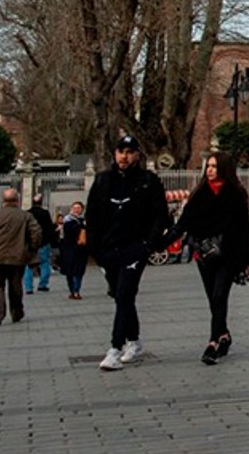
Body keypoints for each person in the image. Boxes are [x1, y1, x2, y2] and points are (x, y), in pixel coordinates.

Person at [84, 134, 171, 370]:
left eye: (130, 152)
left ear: (137, 155)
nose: (125, 156)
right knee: (121, 295)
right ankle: (134, 340)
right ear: (115, 153)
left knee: (124, 293)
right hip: (108, 248)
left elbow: (161, 215)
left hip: (135, 247)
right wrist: (95, 249)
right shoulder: (103, 181)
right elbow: (91, 216)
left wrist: (147, 245)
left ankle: (115, 348)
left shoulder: (148, 180)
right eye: (121, 151)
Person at [166, 152, 249, 365]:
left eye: (215, 166)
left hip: (229, 255)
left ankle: (213, 343)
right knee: (213, 299)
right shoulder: (199, 194)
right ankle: (224, 334)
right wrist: (160, 243)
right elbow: (183, 224)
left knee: (218, 296)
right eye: (208, 166)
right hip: (204, 255)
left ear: (224, 168)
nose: (210, 170)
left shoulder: (235, 194)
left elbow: (244, 228)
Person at [0, 188, 43, 326]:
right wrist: (31, 249)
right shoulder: (25, 216)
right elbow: (36, 233)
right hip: (17, 257)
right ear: (18, 200)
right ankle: (16, 312)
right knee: (15, 286)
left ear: (3, 200)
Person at [23, 193, 58, 294]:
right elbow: (50, 228)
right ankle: (42, 285)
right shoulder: (45, 213)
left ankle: (29, 288)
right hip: (44, 242)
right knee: (45, 263)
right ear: (41, 203)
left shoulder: (27, 214)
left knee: (28, 266)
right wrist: (53, 242)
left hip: (29, 243)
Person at [59, 202, 90, 299]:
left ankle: (76, 290)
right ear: (71, 209)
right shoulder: (67, 220)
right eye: (75, 208)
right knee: (70, 271)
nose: (77, 210)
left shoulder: (84, 221)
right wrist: (81, 226)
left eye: (79, 208)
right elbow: (68, 232)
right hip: (70, 250)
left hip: (81, 250)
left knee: (79, 271)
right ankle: (73, 290)